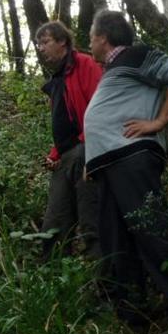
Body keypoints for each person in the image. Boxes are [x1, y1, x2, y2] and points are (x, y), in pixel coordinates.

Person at [84, 10, 168, 334]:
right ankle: (133, 314)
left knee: (152, 229)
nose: (89, 43)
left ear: (104, 37)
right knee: (116, 239)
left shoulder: (136, 54)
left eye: (91, 36)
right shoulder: (116, 70)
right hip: (110, 164)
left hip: (131, 157)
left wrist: (158, 122)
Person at [36, 20, 103, 261]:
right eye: (38, 44)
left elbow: (99, 109)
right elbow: (63, 124)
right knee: (53, 225)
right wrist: (54, 155)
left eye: (45, 42)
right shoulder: (58, 80)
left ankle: (105, 286)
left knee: (92, 221)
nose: (40, 48)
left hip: (87, 151)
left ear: (62, 41)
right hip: (67, 156)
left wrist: (87, 146)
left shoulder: (85, 64)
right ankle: (53, 283)